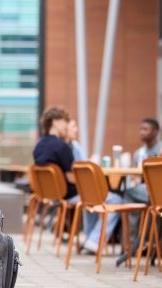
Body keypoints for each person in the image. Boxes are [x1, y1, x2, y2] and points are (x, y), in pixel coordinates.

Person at [33, 107, 122, 253]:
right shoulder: (62, 146)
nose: (66, 126)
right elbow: (72, 178)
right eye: (64, 122)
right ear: (55, 122)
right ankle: (94, 241)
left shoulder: (39, 145)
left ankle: (89, 240)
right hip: (70, 195)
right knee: (116, 200)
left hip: (53, 195)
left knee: (91, 197)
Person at [123, 118, 162, 242]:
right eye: (140, 129)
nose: (141, 132)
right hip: (144, 189)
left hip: (159, 189)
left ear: (155, 131)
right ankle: (141, 242)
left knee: (129, 194)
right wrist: (135, 180)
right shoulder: (138, 153)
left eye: (145, 129)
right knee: (133, 193)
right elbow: (135, 175)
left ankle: (132, 242)